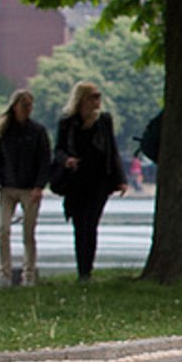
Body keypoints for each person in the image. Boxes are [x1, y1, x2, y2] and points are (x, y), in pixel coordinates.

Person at [55, 82, 126, 281]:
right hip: (76, 180)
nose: (97, 100)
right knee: (80, 225)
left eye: (99, 96)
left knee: (91, 224)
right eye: (93, 96)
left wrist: (120, 179)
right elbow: (59, 149)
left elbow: (112, 149)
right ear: (82, 99)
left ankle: (88, 270)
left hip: (99, 180)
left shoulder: (104, 120)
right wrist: (67, 160)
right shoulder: (68, 122)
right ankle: (82, 271)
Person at [0, 88, 51, 287]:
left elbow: (44, 160)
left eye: (30, 106)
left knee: (28, 233)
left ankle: (29, 275)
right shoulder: (4, 132)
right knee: (3, 230)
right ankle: (4, 274)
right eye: (25, 106)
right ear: (15, 106)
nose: (28, 110)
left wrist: (39, 186)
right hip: (7, 187)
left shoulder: (38, 131)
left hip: (30, 188)